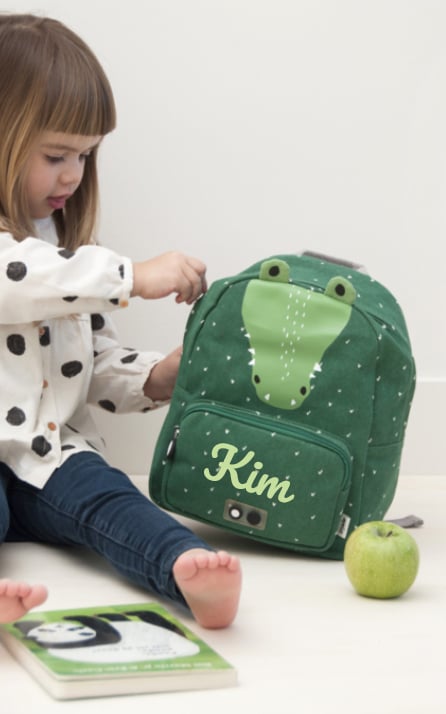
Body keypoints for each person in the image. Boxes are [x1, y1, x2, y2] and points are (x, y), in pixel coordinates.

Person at [0, 13, 241, 629]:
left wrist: (158, 376)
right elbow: (18, 279)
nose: (74, 174)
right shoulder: (65, 268)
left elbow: (93, 362)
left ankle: (185, 570)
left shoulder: (70, 251)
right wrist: (132, 276)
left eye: (85, 155)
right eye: (56, 155)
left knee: (109, 496)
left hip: (46, 454)